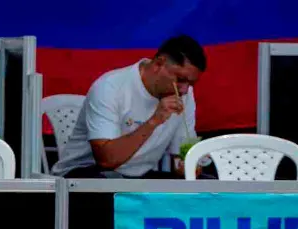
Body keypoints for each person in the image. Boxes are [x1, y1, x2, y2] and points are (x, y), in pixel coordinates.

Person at [52, 35, 206, 179]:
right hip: (84, 174)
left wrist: (189, 165)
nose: (185, 89)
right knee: (112, 191)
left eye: (191, 83)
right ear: (159, 64)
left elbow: (181, 155)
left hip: (136, 177)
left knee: (207, 190)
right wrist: (154, 120)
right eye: (180, 79)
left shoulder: (185, 94)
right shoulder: (110, 87)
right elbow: (107, 160)